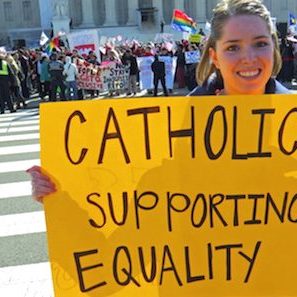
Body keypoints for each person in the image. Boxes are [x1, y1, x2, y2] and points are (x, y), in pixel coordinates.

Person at [28, 0, 289, 198]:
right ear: (215, 57)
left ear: (274, 47)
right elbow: (138, 208)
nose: (250, 57)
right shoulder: (175, 124)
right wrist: (63, 194)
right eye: (233, 47)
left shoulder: (293, 119)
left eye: (260, 44)